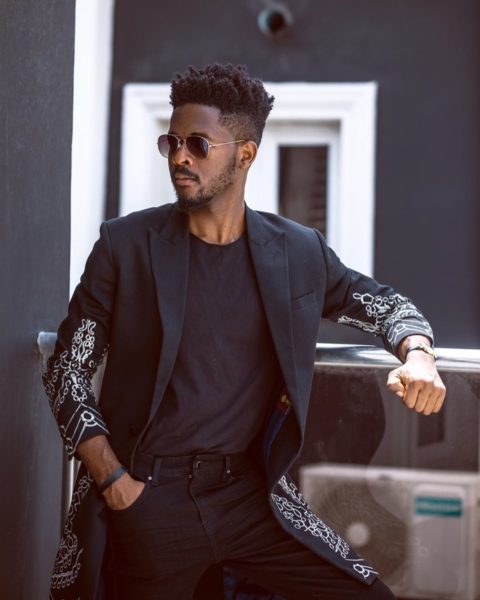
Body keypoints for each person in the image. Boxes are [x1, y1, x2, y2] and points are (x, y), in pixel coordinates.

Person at [43, 63, 446, 600]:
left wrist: (418, 353)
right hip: (149, 500)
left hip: (252, 497)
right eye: (171, 142)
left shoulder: (296, 252)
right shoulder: (127, 246)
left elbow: (383, 303)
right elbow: (67, 370)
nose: (180, 157)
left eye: (198, 144)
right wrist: (114, 480)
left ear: (246, 154)